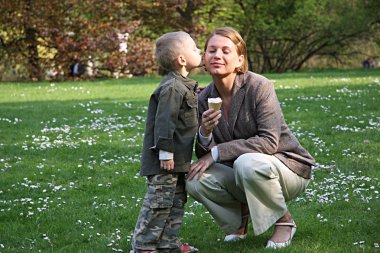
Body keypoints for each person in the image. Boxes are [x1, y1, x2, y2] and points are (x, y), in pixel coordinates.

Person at [186, 27, 316, 249]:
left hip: (287, 168)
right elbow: (203, 156)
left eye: (226, 51)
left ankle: (284, 221)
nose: (217, 55)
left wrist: (216, 153)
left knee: (246, 162)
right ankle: (239, 221)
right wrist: (205, 133)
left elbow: (269, 141)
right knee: (193, 176)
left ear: (240, 60)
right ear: (204, 59)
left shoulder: (259, 86)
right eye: (211, 50)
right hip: (245, 173)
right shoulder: (202, 98)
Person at [131, 31, 202, 253]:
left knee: (176, 202)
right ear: (182, 59)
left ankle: (166, 245)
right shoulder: (172, 87)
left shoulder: (185, 85)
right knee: (159, 204)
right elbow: (164, 122)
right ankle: (143, 246)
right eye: (194, 48)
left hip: (178, 161)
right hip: (165, 161)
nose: (199, 50)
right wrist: (165, 153)